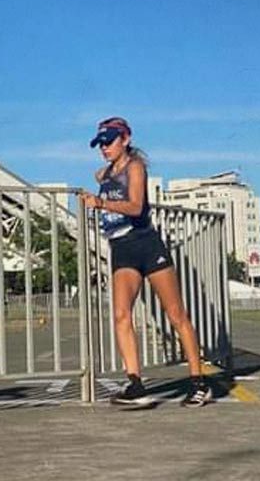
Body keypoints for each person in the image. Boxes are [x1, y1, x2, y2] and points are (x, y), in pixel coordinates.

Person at [78, 117, 212, 407]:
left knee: (176, 314)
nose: (104, 148)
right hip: (121, 248)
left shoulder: (135, 167)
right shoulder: (107, 172)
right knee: (121, 315)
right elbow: (101, 174)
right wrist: (104, 177)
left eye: (109, 142)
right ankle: (136, 383)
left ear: (125, 139)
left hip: (146, 244)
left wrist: (101, 203)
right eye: (100, 143)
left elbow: (136, 206)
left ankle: (199, 382)